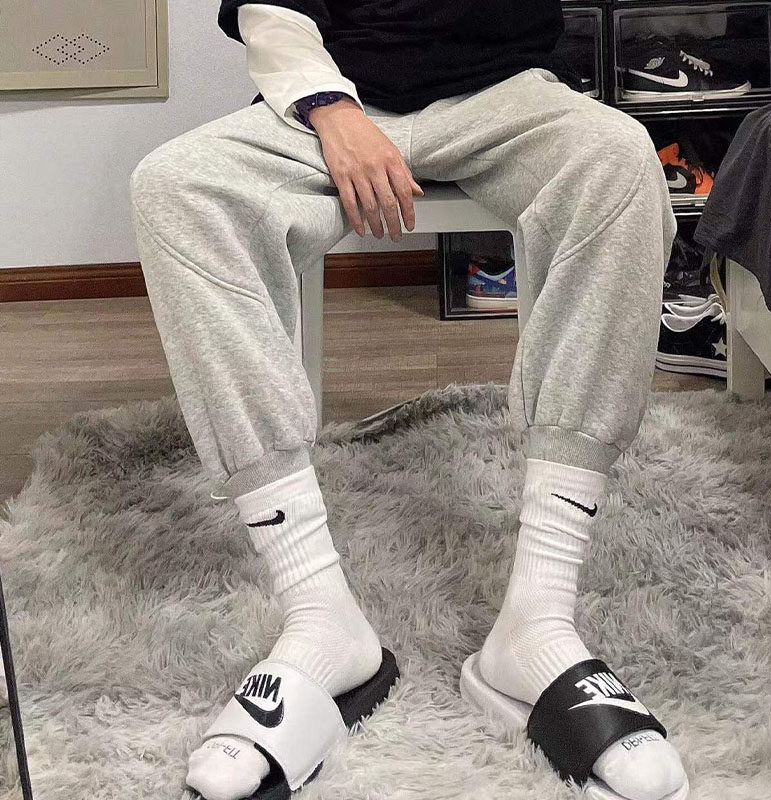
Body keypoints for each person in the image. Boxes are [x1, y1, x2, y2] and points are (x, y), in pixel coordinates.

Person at [128, 2, 688, 799]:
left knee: (620, 158)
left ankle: (537, 622)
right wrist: (330, 108)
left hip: (505, 94)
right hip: (334, 95)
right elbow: (272, 11)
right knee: (175, 187)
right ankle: (320, 616)